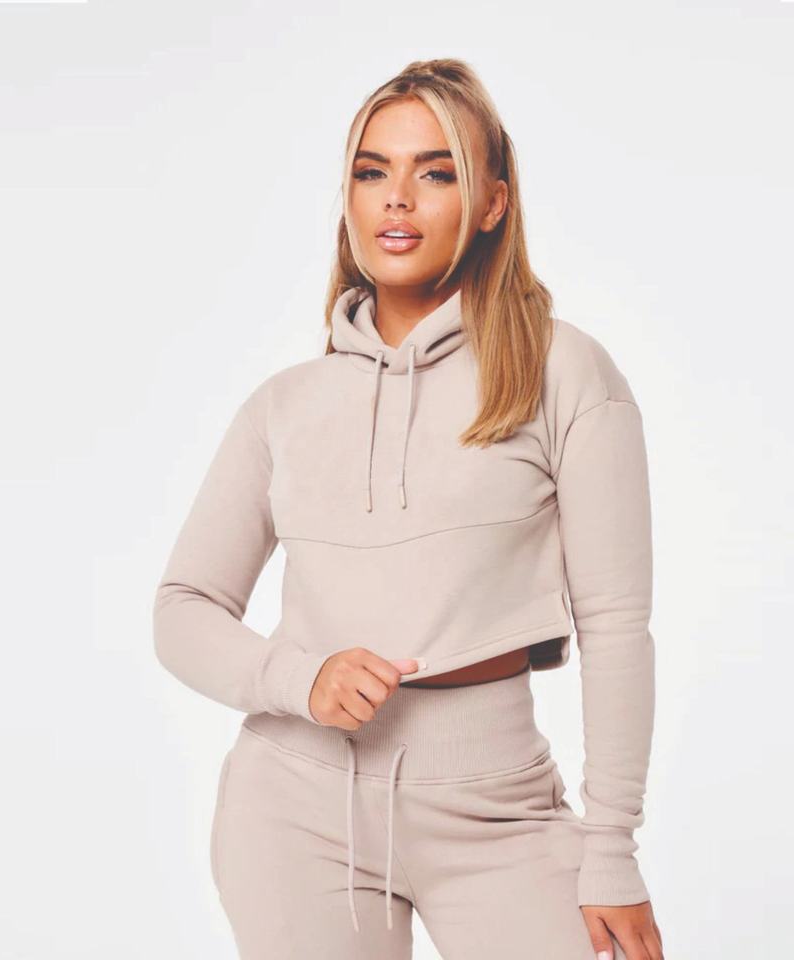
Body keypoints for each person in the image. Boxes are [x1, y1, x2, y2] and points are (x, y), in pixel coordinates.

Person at [153, 57, 664, 960]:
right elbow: (182, 609)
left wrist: (611, 850)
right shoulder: (284, 405)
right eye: (371, 171)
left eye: (436, 173)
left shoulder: (561, 373)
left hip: (500, 809)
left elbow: (617, 627)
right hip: (294, 810)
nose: (397, 198)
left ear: (494, 203)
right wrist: (299, 679)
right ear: (348, 199)